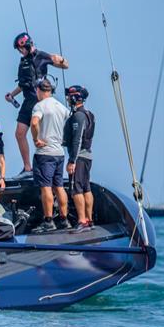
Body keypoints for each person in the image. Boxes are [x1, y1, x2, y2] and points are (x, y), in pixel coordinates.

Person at [6, 32, 69, 177]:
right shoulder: (23, 62)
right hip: (27, 101)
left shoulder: (41, 56)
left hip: (39, 101)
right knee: (19, 133)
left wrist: (61, 59)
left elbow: (65, 65)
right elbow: (23, 84)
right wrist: (12, 94)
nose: (20, 51)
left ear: (28, 45)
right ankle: (27, 168)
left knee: (43, 135)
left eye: (21, 48)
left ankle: (49, 167)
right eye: (18, 49)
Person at [30, 77, 71, 233]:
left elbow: (34, 122)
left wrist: (36, 139)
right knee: (59, 186)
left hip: (45, 153)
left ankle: (48, 221)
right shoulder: (61, 107)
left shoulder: (39, 106)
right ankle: (64, 219)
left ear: (40, 90)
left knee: (46, 187)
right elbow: (69, 124)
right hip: (59, 153)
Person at [63, 85, 96, 233]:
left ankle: (82, 221)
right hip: (87, 156)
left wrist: (72, 161)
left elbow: (77, 140)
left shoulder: (78, 116)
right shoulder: (90, 114)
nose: (68, 99)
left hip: (80, 157)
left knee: (76, 189)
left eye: (70, 97)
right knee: (86, 188)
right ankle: (89, 220)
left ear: (75, 98)